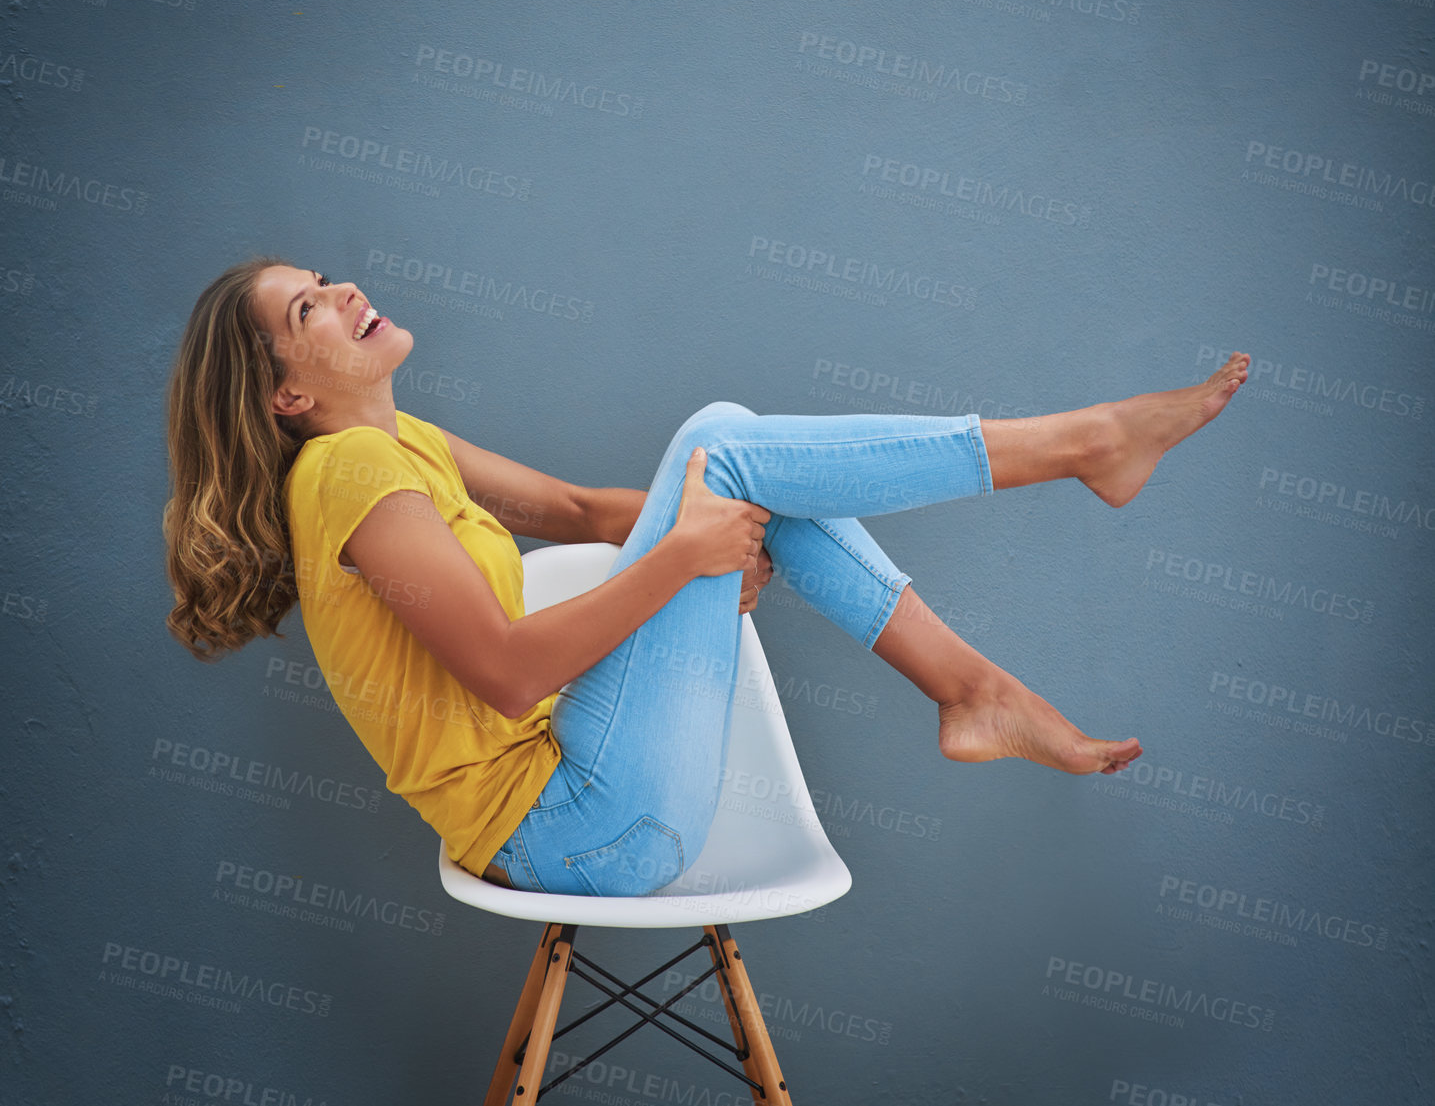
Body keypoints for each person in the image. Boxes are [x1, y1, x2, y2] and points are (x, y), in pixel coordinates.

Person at [163, 257, 1250, 898]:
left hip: (588, 801)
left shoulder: (405, 444)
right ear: (283, 399)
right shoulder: (346, 468)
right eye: (307, 310)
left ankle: (975, 689)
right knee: (721, 450)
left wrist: (747, 525)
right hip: (575, 829)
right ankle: (1078, 448)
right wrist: (690, 551)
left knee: (731, 453)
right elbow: (500, 672)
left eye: (322, 278)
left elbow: (586, 512)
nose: (343, 288)